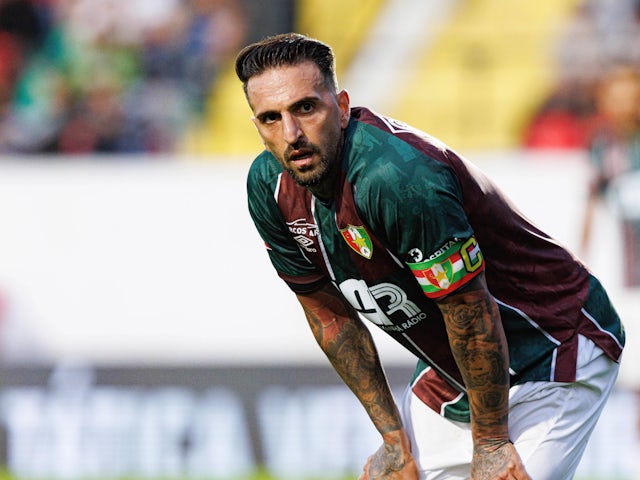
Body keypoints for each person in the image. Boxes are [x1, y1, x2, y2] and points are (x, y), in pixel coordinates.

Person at [235, 33, 625, 480]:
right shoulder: (269, 187)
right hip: (455, 373)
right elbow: (330, 316)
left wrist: (492, 442)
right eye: (271, 117)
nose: (291, 133)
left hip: (554, 347)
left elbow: (470, 309)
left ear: (341, 107)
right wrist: (391, 439)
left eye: (306, 108)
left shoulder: (397, 177)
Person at [580, 65, 640, 287]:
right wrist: (583, 262)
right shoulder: (601, 144)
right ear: (604, 101)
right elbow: (590, 202)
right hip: (622, 260)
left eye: (632, 98)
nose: (626, 106)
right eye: (618, 98)